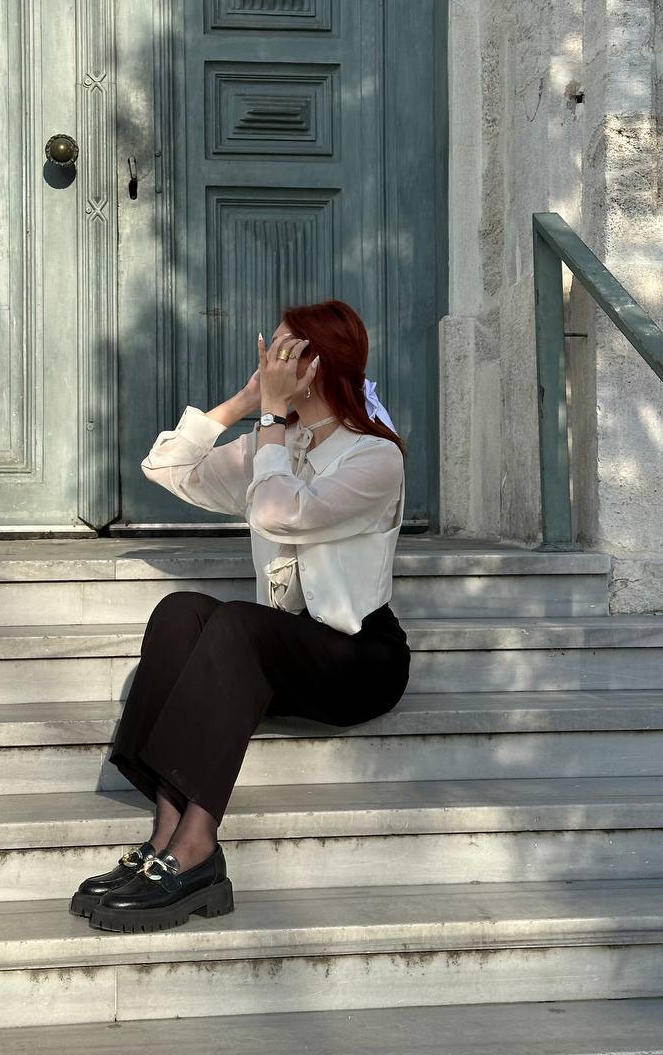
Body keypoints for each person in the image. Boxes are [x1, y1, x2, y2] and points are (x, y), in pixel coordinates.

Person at [71, 298, 410, 934]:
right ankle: (166, 838)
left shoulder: (375, 457)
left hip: (359, 656)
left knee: (235, 623)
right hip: (282, 650)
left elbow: (280, 512)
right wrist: (243, 403)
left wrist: (273, 422)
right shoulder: (272, 444)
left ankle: (198, 850)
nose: (266, 359)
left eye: (281, 351)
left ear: (316, 366)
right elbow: (167, 467)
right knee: (181, 613)